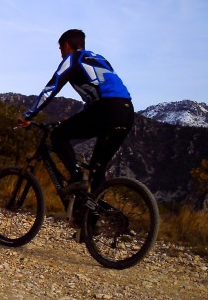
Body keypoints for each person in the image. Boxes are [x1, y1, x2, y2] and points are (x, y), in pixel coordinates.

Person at [19, 29, 134, 195]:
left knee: (58, 135)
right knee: (97, 169)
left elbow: (52, 88)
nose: (61, 54)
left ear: (66, 46)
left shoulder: (73, 59)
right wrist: (76, 117)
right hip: (127, 111)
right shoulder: (100, 59)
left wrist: (28, 115)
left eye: (60, 50)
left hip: (107, 109)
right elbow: (99, 92)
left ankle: (77, 177)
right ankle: (91, 217)